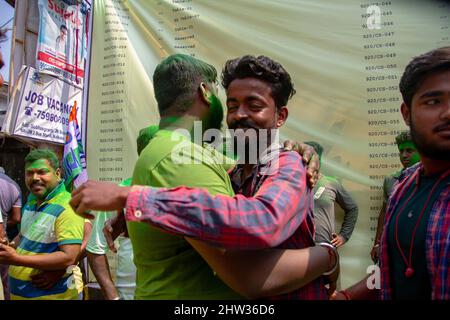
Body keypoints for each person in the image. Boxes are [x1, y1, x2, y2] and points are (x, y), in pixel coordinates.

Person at [71, 54, 338, 299]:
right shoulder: (233, 171)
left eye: (254, 105)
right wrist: (136, 218)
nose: (239, 115)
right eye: (233, 106)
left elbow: (262, 220)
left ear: (280, 116)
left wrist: (132, 198)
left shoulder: (290, 164)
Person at [331, 47, 450, 300]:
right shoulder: (402, 187)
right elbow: (392, 269)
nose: (448, 112)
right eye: (433, 101)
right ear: (407, 114)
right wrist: (347, 297)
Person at [0, 149, 85, 300]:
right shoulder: (32, 201)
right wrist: (11, 246)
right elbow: (23, 235)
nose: (35, 178)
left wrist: (16, 259)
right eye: (29, 173)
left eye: (42, 172)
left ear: (58, 174)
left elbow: (69, 257)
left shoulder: (68, 206)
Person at [86, 125, 159, 300]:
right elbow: (94, 248)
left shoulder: (182, 191)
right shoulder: (121, 191)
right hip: (130, 294)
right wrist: (113, 297)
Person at [370, 131, 420, 263]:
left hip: (421, 246)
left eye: (409, 150)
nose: (404, 155)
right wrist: (377, 243)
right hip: (395, 247)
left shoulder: (432, 179)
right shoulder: (391, 180)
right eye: (401, 151)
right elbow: (384, 212)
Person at [304, 141, 359, 247]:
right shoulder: (292, 185)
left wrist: (343, 236)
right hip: (298, 250)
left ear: (318, 161)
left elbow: (352, 208)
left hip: (325, 250)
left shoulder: (331, 183)